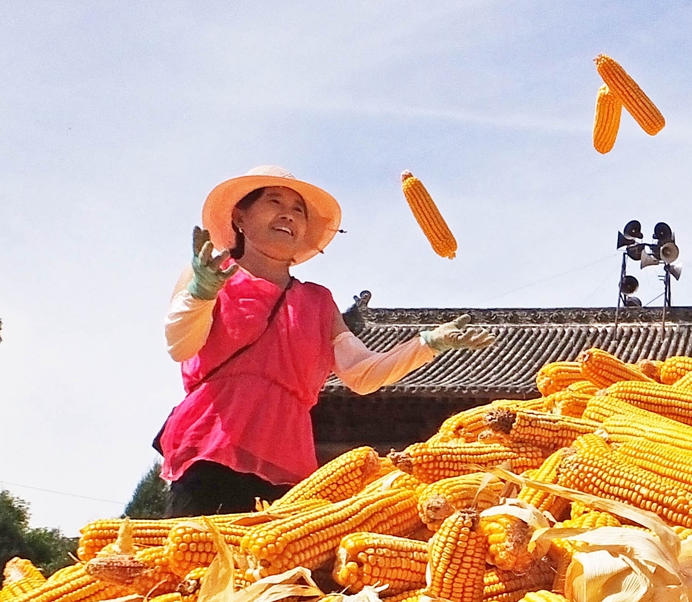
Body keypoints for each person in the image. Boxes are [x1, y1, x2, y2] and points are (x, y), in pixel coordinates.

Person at [159, 166, 490, 516]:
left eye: (298, 209)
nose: (288, 214)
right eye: (274, 201)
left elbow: (361, 374)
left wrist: (428, 343)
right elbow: (180, 345)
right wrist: (201, 292)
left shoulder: (318, 302)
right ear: (240, 216)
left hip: (288, 460)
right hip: (210, 445)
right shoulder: (209, 275)